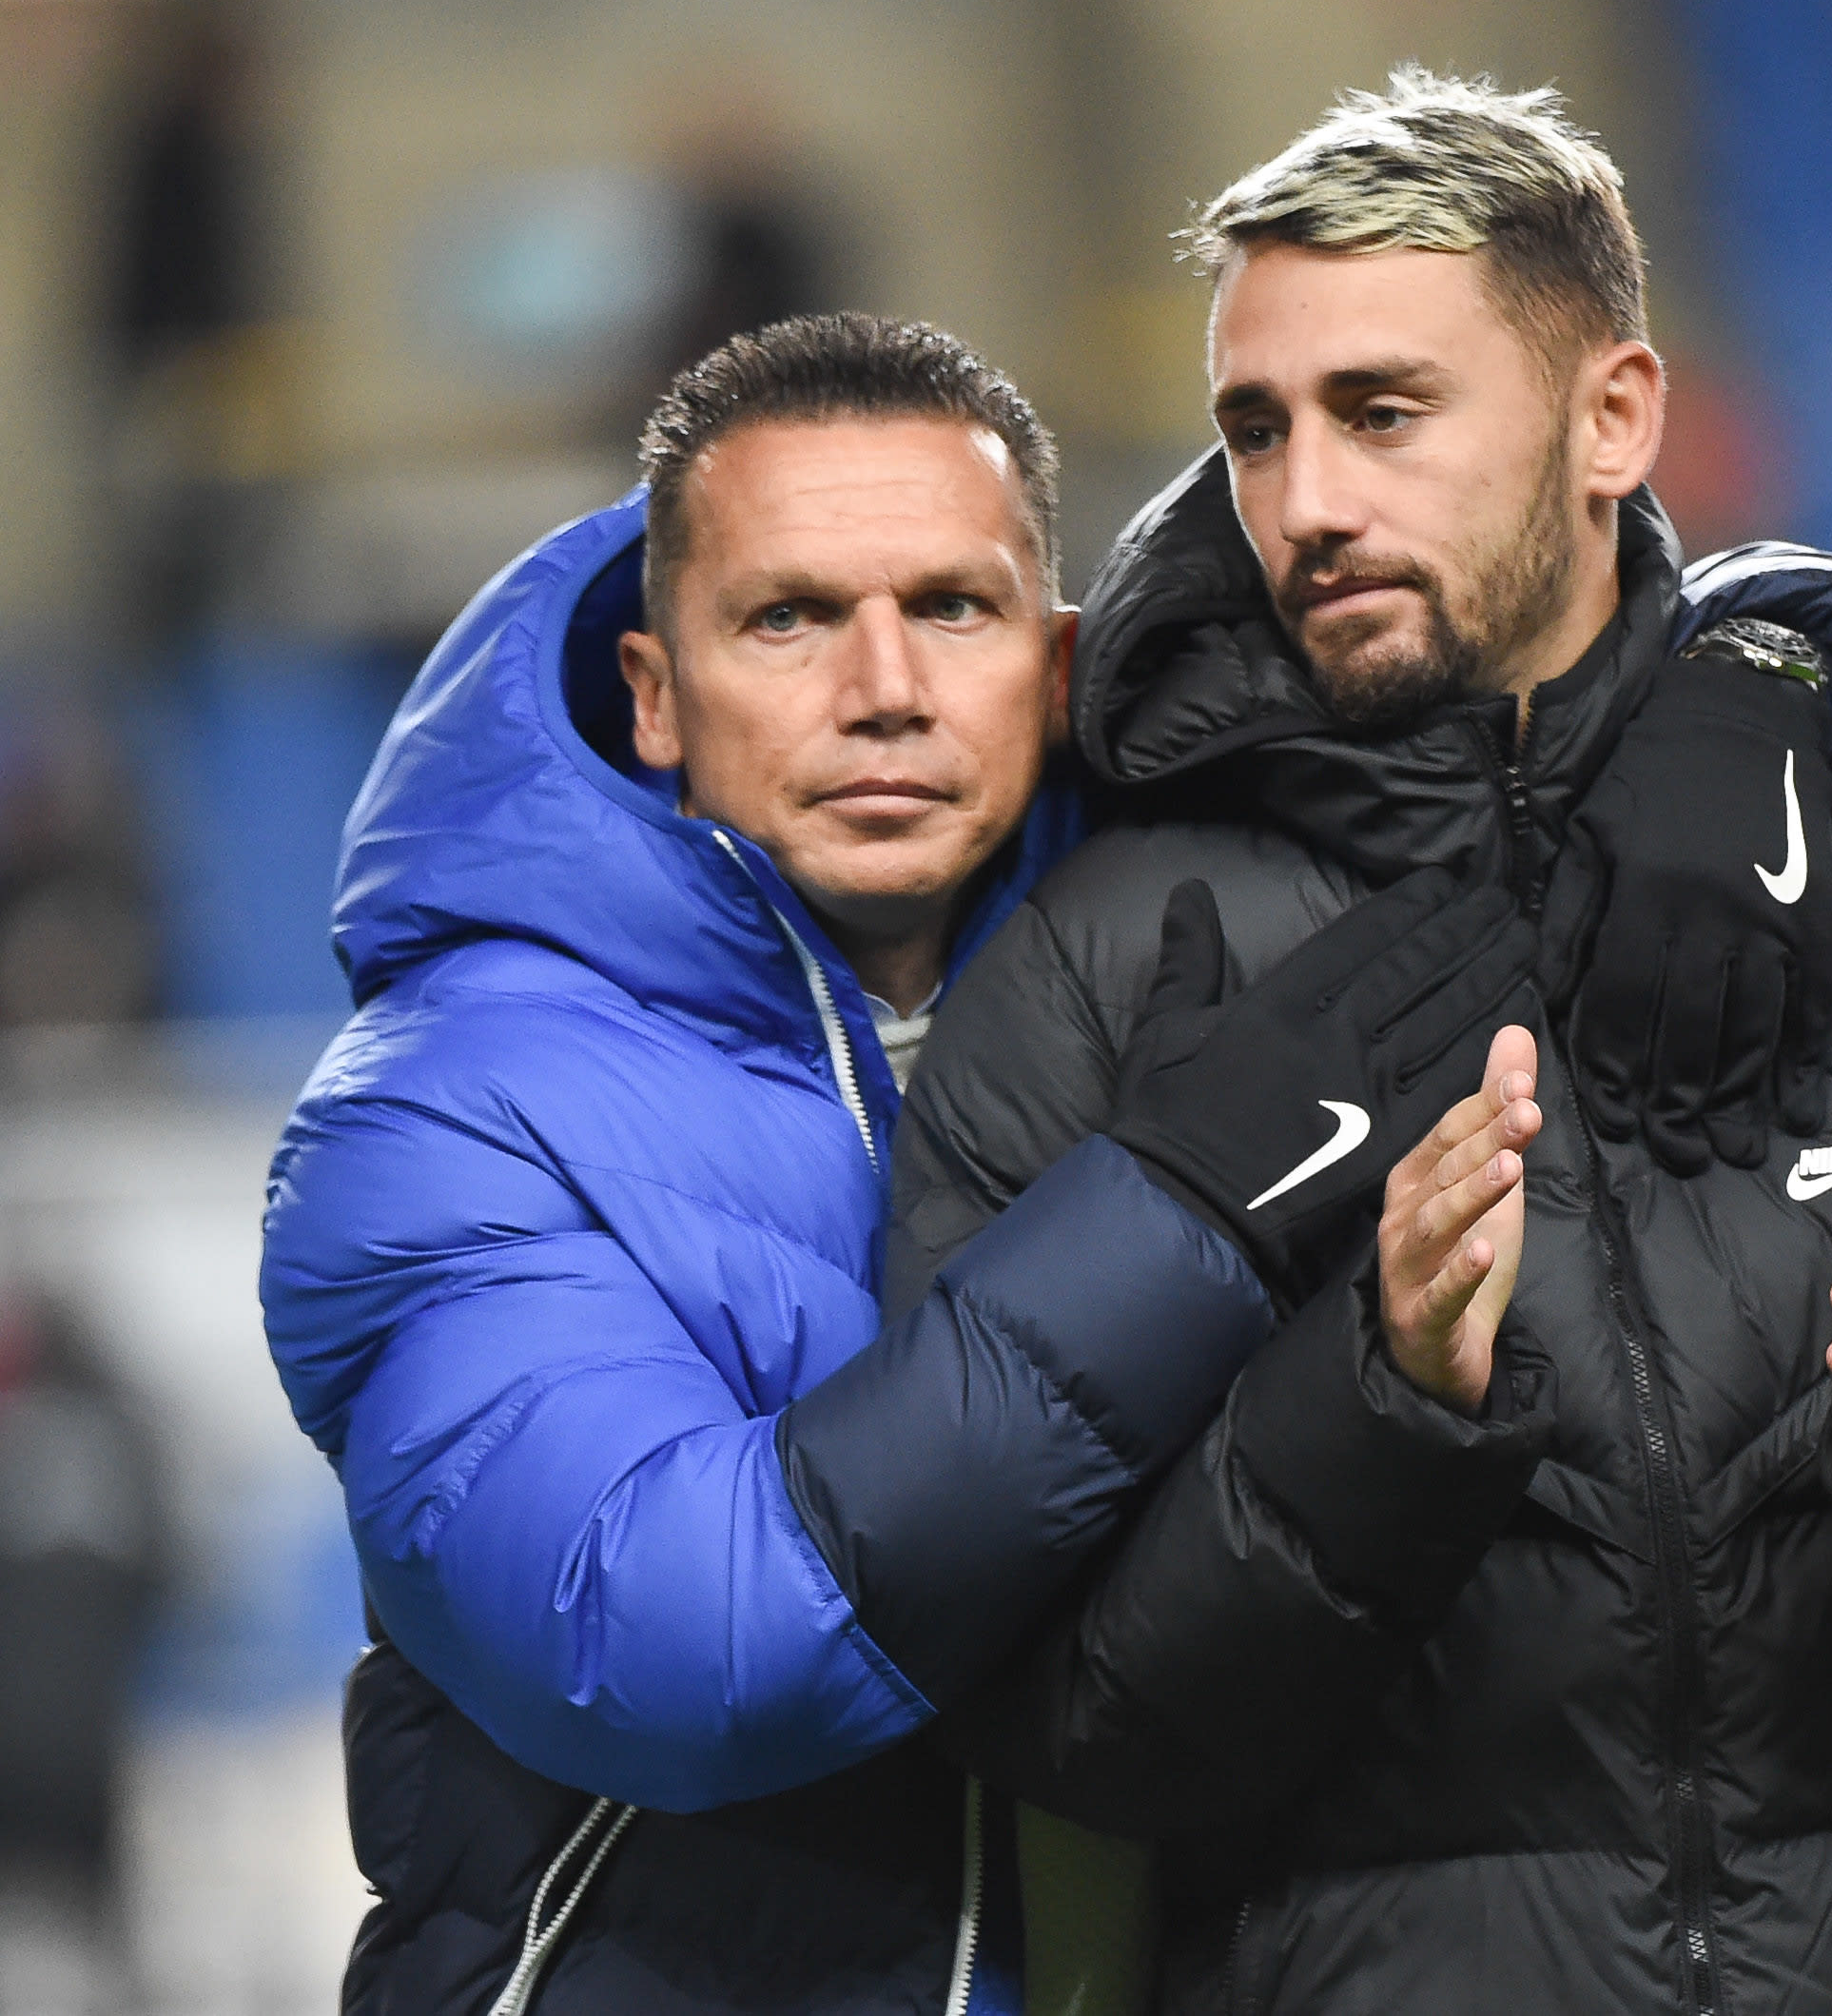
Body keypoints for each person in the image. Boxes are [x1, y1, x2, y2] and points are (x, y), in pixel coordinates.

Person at [901, 71, 1832, 2016]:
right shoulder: (1101, 961)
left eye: (1385, 411)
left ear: (1614, 418)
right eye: (1257, 427)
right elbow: (1048, 1713)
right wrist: (1379, 1406)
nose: (1308, 498)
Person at [258, 316, 1560, 2016]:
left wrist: (1777, 684)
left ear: (1061, 658)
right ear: (655, 691)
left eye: (952, 607)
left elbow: (1565, 609)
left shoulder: (1183, 936)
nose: (884, 689)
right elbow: (696, 1638)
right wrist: (1177, 1217)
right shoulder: (445, 1108)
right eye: (788, 616)